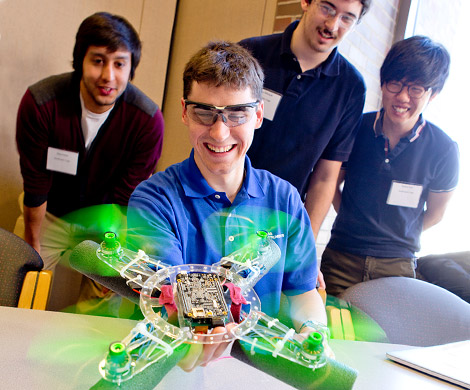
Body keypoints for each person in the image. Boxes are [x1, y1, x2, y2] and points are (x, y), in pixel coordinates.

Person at [127, 41, 327, 371]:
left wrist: (311, 334)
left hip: (262, 370)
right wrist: (207, 330)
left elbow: (302, 293)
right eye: (204, 112)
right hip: (184, 368)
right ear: (183, 111)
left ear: (258, 114)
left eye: (237, 113)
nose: (220, 133)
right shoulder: (154, 200)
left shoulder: (285, 200)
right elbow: (174, 291)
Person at [16, 12, 164, 310]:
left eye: (119, 63)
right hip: (48, 216)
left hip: (107, 225)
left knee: (103, 305)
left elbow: (126, 200)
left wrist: (115, 253)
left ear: (130, 67)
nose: (108, 76)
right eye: (98, 61)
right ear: (80, 60)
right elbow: (35, 184)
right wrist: (33, 245)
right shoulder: (42, 102)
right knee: (20, 285)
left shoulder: (147, 120)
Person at [321, 35, 459, 296]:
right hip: (342, 257)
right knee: (329, 329)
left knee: (385, 336)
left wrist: (394, 234)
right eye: (395, 84)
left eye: (416, 88)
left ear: (433, 93)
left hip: (398, 265)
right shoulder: (356, 128)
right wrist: (352, 216)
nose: (403, 97)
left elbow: (436, 213)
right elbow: (330, 182)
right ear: (383, 83)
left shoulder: (444, 148)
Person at [239, 0, 371, 242]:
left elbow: (325, 176)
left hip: (278, 224)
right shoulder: (249, 53)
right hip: (218, 205)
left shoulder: (351, 88)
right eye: (327, 8)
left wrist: (306, 247)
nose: (332, 25)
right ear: (306, 2)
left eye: (347, 18)